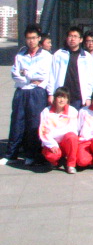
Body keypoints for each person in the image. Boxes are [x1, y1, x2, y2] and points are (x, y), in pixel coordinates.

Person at [1, 24, 51, 166]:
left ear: (39, 39)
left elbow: (43, 75)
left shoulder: (46, 56)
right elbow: (15, 74)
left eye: (34, 38)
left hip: (37, 92)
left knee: (33, 124)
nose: (31, 41)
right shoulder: (20, 55)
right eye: (28, 38)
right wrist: (29, 78)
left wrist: (26, 73)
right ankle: (11, 154)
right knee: (17, 122)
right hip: (21, 91)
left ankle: (31, 155)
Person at [49, 27, 93, 109]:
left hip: (78, 96)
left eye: (75, 36)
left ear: (81, 40)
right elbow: (52, 74)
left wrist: (88, 97)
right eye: (70, 36)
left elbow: (90, 79)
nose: (72, 39)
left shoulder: (87, 57)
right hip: (61, 95)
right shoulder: (59, 54)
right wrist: (51, 93)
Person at [39, 87, 79, 174]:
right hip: (52, 142)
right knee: (53, 156)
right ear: (55, 98)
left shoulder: (72, 111)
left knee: (72, 137)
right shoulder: (46, 111)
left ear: (67, 99)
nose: (62, 100)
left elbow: (73, 130)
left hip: (66, 142)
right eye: (59, 97)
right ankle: (57, 162)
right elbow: (43, 131)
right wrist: (52, 144)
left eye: (64, 97)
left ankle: (71, 165)